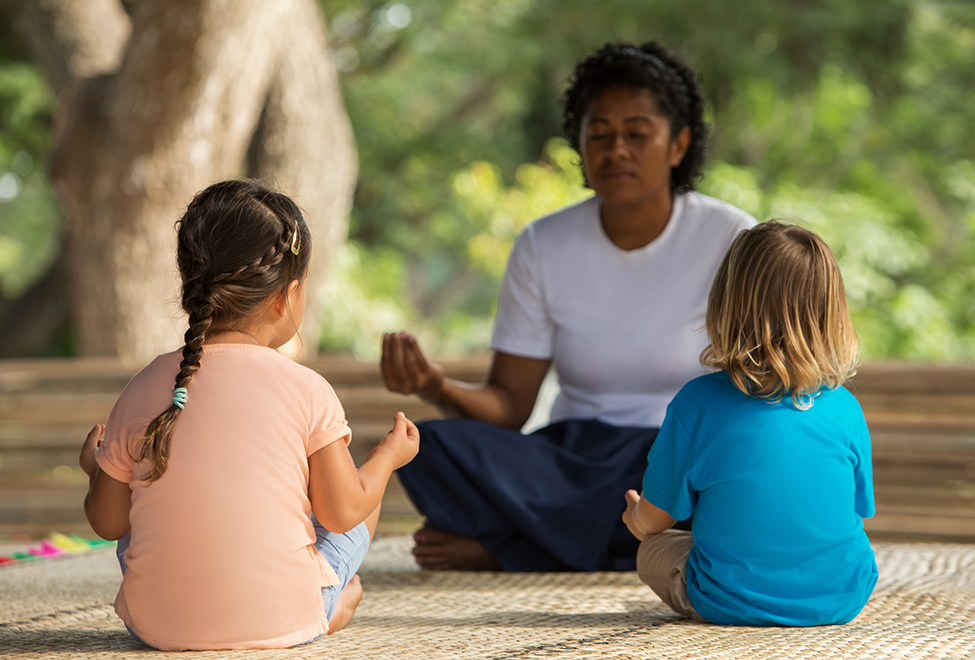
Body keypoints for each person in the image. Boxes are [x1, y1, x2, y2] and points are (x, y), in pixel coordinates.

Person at [381, 41, 756, 572]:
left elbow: (764, 387)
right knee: (434, 448)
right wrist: (433, 386)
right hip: (573, 458)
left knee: (730, 476)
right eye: (599, 134)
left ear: (678, 145)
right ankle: (618, 546)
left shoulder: (733, 237)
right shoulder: (543, 243)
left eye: (637, 134)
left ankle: (516, 549)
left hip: (682, 453)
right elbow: (510, 407)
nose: (616, 149)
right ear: (579, 147)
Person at [79, 180, 420, 651]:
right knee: (362, 490)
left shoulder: (144, 385)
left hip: (154, 627)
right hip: (283, 616)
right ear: (286, 296)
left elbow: (108, 524)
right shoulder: (307, 388)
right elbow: (342, 513)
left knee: (141, 506)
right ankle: (325, 608)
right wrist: (387, 457)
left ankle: (199, 607)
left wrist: (98, 470)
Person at [622, 221, 878, 626]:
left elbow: (656, 519)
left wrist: (635, 516)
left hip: (727, 600)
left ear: (727, 302)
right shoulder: (846, 406)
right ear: (832, 312)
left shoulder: (699, 401)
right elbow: (857, 511)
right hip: (844, 594)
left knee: (653, 549)